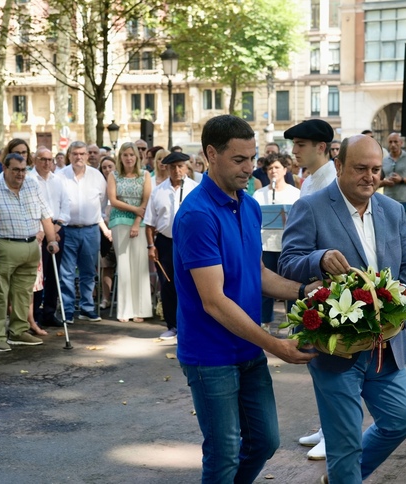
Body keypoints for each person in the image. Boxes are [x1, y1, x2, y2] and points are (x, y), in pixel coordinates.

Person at [173, 115, 318, 483]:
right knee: (222, 453)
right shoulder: (196, 215)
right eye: (239, 160)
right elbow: (214, 300)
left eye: (252, 158)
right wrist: (276, 345)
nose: (250, 168)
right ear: (210, 154)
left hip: (247, 351)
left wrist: (305, 291)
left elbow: (257, 273)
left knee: (265, 442)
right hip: (211, 356)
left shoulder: (250, 205)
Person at [279, 134, 406, 483]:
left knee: (402, 420)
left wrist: (398, 301)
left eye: (376, 170)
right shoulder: (310, 207)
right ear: (339, 165)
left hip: (385, 345)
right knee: (343, 444)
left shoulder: (393, 210)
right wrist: (319, 258)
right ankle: (344, 475)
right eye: (361, 168)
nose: (370, 177)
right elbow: (287, 263)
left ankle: (342, 478)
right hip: (334, 346)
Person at [0, 153, 59, 352]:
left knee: (23, 293)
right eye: (15, 169)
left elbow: (46, 215)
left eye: (23, 169)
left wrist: (51, 239)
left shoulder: (32, 185)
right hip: (4, 244)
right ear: (5, 168)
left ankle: (18, 331)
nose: (20, 174)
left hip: (31, 245)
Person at [145, 151, 198, 340]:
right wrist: (151, 246)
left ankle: (191, 325)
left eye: (180, 166)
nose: (177, 170)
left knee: (192, 282)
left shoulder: (195, 189)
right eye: (173, 167)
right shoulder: (158, 191)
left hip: (190, 242)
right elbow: (150, 223)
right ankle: (172, 325)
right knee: (168, 283)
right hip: (166, 242)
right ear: (166, 168)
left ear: (186, 167)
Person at [60, 141, 108, 323]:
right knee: (67, 273)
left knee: (88, 271)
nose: (78, 157)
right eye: (75, 154)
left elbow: (102, 202)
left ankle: (87, 308)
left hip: (90, 230)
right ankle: (67, 309)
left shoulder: (97, 177)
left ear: (87, 155)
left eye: (82, 153)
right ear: (69, 155)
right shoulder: (60, 176)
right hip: (67, 230)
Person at [251, 154, 301, 330]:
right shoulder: (259, 194)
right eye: (270, 168)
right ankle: (264, 322)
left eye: (277, 167)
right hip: (266, 245)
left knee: (290, 285)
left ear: (285, 170)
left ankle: (292, 322)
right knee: (265, 285)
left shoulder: (295, 194)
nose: (273, 171)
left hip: (287, 246)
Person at [106, 142, 153, 322]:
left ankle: (140, 310)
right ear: (120, 157)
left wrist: (137, 221)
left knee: (140, 266)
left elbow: (146, 200)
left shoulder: (145, 175)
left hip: (139, 223)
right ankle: (125, 310)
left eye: (131, 155)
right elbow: (113, 199)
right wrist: (134, 210)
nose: (128, 158)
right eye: (125, 155)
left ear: (137, 157)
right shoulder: (114, 175)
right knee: (124, 266)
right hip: (119, 221)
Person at [29, 147, 70, 328]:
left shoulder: (59, 180)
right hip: (37, 230)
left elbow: (65, 206)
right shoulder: (30, 180)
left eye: (49, 159)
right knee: (39, 275)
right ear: (35, 160)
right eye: (42, 159)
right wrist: (45, 231)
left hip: (56, 227)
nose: (47, 163)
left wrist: (56, 227)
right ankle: (35, 313)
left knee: (54, 273)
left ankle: (49, 312)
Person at [285, 119, 336, 197]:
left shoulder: (333, 183)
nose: (294, 151)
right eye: (294, 144)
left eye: (301, 145)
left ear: (321, 147)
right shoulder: (308, 181)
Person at [380, 132, 406, 228]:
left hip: (403, 200)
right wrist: (385, 182)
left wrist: (402, 180)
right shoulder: (384, 161)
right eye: (390, 142)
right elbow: (378, 179)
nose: (393, 144)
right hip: (388, 200)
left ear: (401, 143)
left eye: (396, 142)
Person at [98, 158, 116, 309]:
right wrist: (105, 229)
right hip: (104, 227)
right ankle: (105, 298)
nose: (107, 169)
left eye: (110, 166)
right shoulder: (99, 185)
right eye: (104, 167)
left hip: (120, 227)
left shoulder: (120, 183)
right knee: (106, 266)